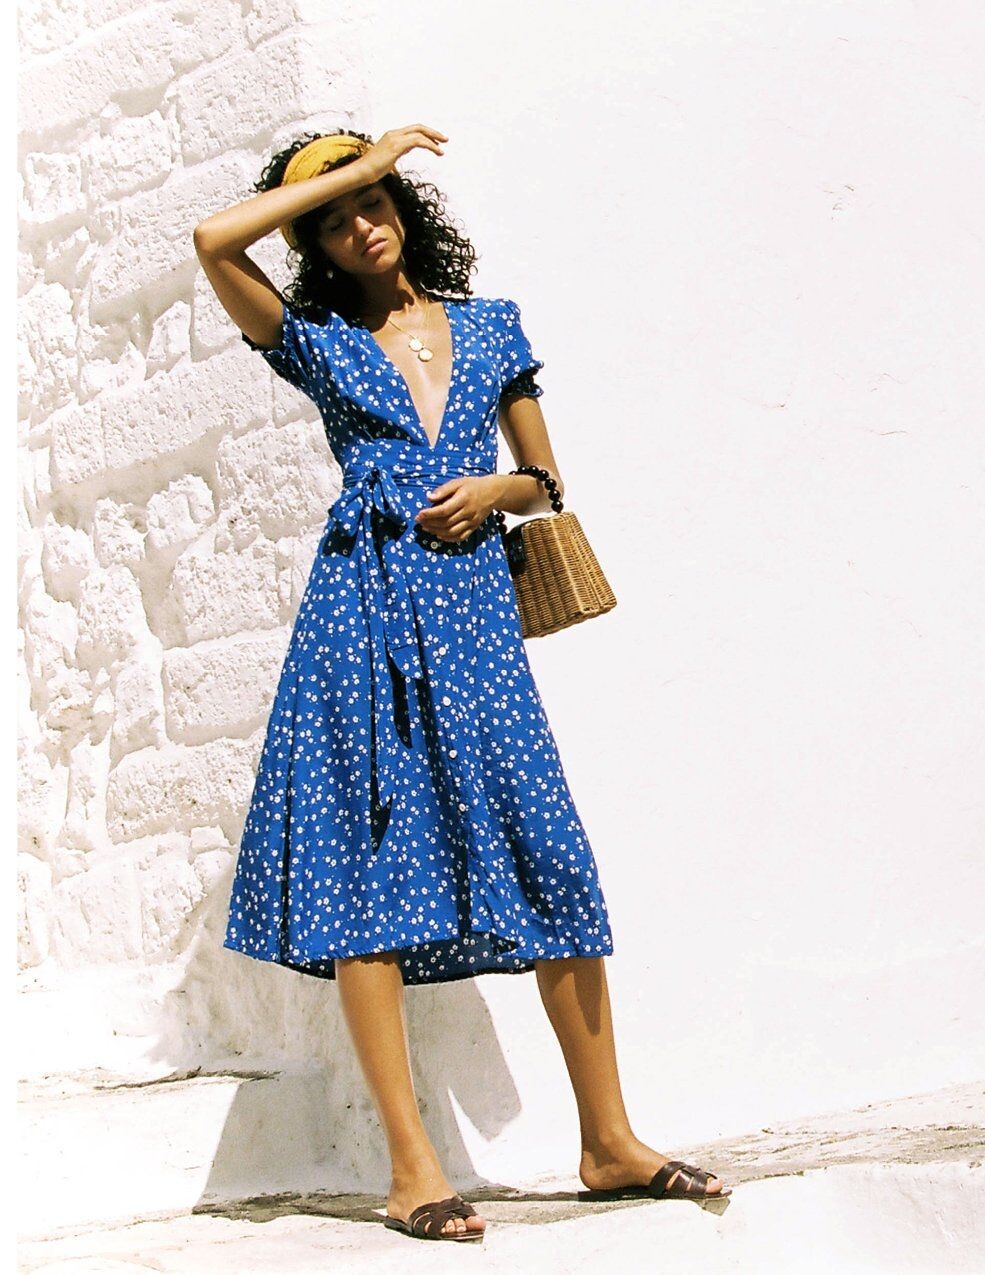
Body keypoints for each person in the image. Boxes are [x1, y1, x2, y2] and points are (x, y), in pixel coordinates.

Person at [192, 124, 731, 1242]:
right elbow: (211, 242)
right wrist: (349, 166)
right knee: (369, 872)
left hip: (477, 621)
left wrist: (493, 492)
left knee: (550, 852)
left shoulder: (490, 327)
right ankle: (412, 1168)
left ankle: (608, 1141)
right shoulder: (316, 342)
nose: (361, 225)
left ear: (407, 208)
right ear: (317, 246)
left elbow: (545, 478)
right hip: (363, 621)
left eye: (374, 202)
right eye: (335, 220)